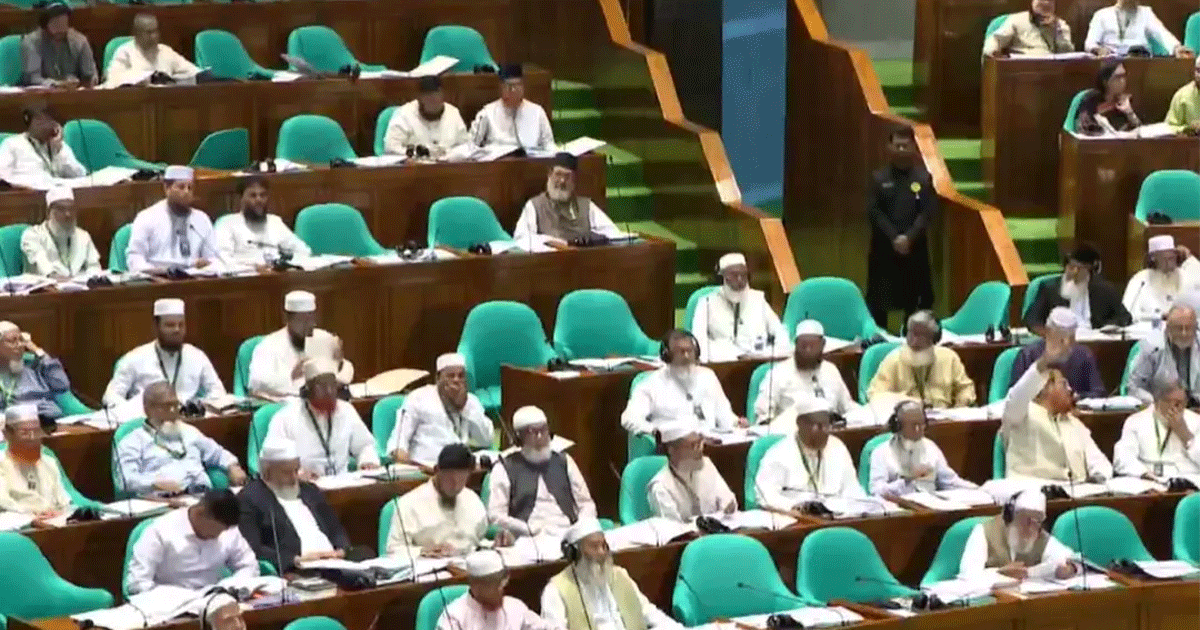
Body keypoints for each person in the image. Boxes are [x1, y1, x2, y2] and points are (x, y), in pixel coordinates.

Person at [1002, 332, 1114, 482]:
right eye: (1064, 384)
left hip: (1076, 491)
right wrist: (1043, 363)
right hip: (1033, 491)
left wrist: (1098, 477)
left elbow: (1100, 463)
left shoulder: (1075, 424)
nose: (1071, 390)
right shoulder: (1020, 415)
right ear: (1046, 386)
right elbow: (1017, 395)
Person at [541, 519, 684, 630]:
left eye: (604, 546)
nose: (602, 552)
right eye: (594, 547)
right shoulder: (556, 590)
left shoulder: (620, 575)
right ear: (574, 553)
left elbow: (650, 613)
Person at [237, 436, 352, 573]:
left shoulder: (310, 490)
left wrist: (340, 550)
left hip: (334, 561)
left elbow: (335, 529)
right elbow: (253, 547)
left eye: (296, 470)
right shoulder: (249, 498)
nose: (294, 478)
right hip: (297, 569)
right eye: (286, 473)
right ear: (267, 472)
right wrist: (295, 560)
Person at [115, 382, 246, 496]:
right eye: (166, 406)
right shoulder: (132, 441)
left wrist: (233, 467)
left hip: (202, 496)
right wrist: (155, 484)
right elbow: (125, 480)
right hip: (164, 500)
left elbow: (217, 453)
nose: (173, 411)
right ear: (148, 409)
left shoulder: (189, 431)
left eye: (176, 405)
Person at [488, 406, 596, 537]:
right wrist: (525, 529)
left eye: (543, 430)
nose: (539, 437)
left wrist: (582, 527)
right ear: (519, 437)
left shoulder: (564, 461)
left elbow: (585, 503)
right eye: (532, 432)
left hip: (568, 532)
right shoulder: (504, 467)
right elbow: (495, 515)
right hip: (528, 537)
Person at [126, 489, 259, 595]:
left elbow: (249, 565)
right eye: (217, 530)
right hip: (173, 606)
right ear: (200, 513)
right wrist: (176, 597)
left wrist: (229, 587)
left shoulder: (229, 530)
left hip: (215, 600)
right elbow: (137, 583)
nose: (219, 536)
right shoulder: (160, 530)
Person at [263, 358, 379, 479]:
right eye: (322, 387)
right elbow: (272, 459)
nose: (329, 392)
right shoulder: (285, 418)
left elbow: (365, 445)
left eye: (333, 385)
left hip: (343, 484)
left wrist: (367, 462)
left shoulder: (346, 410)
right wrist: (296, 474)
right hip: (305, 486)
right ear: (307, 391)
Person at [866, 127, 935, 328]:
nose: (902, 149)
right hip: (884, 251)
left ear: (913, 147)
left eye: (906, 145)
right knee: (879, 304)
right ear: (890, 147)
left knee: (916, 305)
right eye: (898, 145)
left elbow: (927, 212)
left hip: (915, 251)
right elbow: (874, 212)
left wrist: (909, 237)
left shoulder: (923, 178)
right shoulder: (879, 178)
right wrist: (894, 237)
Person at [103, 298, 226, 408]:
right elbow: (111, 397)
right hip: (147, 420)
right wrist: (135, 413)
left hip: (189, 419)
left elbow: (218, 393)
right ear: (156, 327)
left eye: (181, 325)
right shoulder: (134, 358)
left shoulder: (197, 356)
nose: (177, 330)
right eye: (170, 325)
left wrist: (200, 407)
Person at [620, 329, 741, 435]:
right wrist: (657, 432)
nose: (686, 357)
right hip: (676, 446)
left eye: (690, 351)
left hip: (712, 442)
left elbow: (724, 413)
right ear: (666, 355)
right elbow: (629, 419)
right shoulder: (651, 384)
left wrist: (736, 422)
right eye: (681, 352)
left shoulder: (708, 376)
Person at [754, 397, 865, 510]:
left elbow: (853, 490)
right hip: (795, 516)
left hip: (835, 514)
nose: (824, 431)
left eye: (826, 424)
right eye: (818, 426)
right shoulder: (780, 453)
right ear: (800, 424)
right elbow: (765, 495)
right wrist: (795, 507)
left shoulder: (837, 447)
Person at [385, 353, 494, 468]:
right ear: (438, 378)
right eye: (451, 376)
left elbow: (486, 439)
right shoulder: (419, 398)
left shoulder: (471, 401)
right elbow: (398, 440)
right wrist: (405, 460)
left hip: (461, 467)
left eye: (461, 376)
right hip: (427, 466)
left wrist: (464, 407)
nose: (456, 380)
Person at [387, 443, 491, 557]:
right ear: (437, 470)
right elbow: (393, 550)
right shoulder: (409, 504)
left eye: (461, 480)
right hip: (429, 564)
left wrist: (494, 544)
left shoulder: (473, 501)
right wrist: (422, 551)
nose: (455, 486)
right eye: (450, 479)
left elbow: (480, 541)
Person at [248, 290, 353, 399]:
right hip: (287, 405)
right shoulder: (269, 345)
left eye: (311, 320)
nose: (308, 326)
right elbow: (256, 384)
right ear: (286, 319)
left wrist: (339, 363)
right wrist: (292, 376)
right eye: (302, 321)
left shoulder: (322, 338)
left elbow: (346, 372)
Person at [754, 320, 858, 425]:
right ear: (795, 344)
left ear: (823, 345)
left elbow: (848, 408)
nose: (808, 351)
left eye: (812, 346)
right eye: (803, 346)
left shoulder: (831, 370)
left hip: (830, 430)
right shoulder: (778, 372)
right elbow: (763, 416)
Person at [690, 253, 790, 362]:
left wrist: (771, 353)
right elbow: (698, 341)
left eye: (743, 275)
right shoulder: (706, 303)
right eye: (734, 275)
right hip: (722, 362)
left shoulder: (758, 299)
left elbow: (780, 333)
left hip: (758, 361)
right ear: (722, 277)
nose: (740, 280)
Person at [958, 490, 1078, 580]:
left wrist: (1071, 568)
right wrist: (999, 573)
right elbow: (967, 574)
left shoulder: (1040, 536)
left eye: (1037, 521)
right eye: (1026, 520)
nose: (1031, 527)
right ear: (1010, 517)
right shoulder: (984, 531)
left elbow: (1076, 560)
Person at [867, 312, 976, 409]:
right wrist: (909, 402)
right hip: (907, 421)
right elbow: (876, 395)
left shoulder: (949, 358)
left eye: (921, 336)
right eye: (911, 334)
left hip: (944, 420)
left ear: (935, 338)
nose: (914, 342)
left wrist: (960, 406)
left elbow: (966, 389)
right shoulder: (894, 360)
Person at [868, 400, 977, 497]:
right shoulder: (881, 452)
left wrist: (977, 489)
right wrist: (905, 480)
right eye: (912, 425)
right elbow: (876, 491)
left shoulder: (931, 447)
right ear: (898, 426)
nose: (918, 430)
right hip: (899, 506)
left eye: (921, 424)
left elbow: (950, 481)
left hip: (929, 504)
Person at [512, 152, 623, 245]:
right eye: (558, 174)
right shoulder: (534, 205)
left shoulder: (586, 205)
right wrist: (551, 242)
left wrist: (595, 238)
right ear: (549, 174)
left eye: (567, 176)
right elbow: (522, 238)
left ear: (574, 179)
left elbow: (613, 233)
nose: (562, 181)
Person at [126, 165, 219, 273]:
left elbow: (213, 258)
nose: (186, 192)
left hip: (194, 278)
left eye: (190, 188)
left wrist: (207, 265)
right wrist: (159, 271)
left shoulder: (201, 219)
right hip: (158, 278)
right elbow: (135, 258)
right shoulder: (147, 217)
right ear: (167, 188)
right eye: (181, 187)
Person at [645, 419, 736, 521]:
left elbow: (728, 502)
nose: (699, 450)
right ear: (672, 450)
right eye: (693, 446)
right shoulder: (660, 487)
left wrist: (729, 508)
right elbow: (673, 528)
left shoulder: (707, 465)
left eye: (700, 443)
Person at [436, 550, 551, 630]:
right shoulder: (454, 618)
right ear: (475, 585)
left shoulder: (514, 607)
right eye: (495, 583)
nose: (502, 588)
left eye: (503, 581)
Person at [1024, 244, 1130, 331]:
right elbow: (1032, 320)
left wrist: (1109, 327)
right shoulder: (1049, 288)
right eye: (1071, 267)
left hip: (1095, 343)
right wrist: (1048, 334)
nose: (1074, 273)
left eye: (1080, 269)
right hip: (1060, 341)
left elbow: (1124, 317)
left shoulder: (1105, 290)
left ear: (1090, 271)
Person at [213, 176, 310, 268]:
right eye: (253, 195)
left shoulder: (275, 222)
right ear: (241, 198)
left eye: (263, 195)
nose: (259, 200)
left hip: (275, 275)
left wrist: (284, 263)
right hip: (244, 276)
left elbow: (303, 251)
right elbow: (222, 258)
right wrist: (253, 267)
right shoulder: (227, 223)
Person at [1011, 308, 1106, 400]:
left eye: (1070, 338)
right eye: (1061, 338)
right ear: (1048, 332)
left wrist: (1074, 397)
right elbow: (1016, 396)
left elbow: (1099, 392)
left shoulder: (1083, 354)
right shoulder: (1028, 355)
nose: (1066, 343)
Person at [1115, 378, 1200, 478]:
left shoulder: (1196, 421)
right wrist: (1143, 473)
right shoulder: (1135, 421)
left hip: (1188, 479)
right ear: (1157, 401)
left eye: (1179, 403)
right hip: (1147, 479)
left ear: (1186, 402)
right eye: (1168, 401)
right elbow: (1123, 458)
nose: (1173, 407)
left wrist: (1186, 435)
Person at [0, 404, 73, 519]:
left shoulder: (49, 462)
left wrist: (59, 512)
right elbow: (4, 504)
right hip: (20, 523)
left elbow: (64, 502)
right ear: (7, 434)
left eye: (36, 432)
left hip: (55, 521)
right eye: (24, 433)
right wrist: (32, 515)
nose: (32, 438)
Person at [20, 186, 101, 279]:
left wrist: (92, 278)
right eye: (61, 209)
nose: (68, 214)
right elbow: (42, 265)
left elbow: (94, 266)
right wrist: (55, 277)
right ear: (48, 213)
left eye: (71, 209)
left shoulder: (83, 236)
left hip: (80, 286)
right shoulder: (33, 235)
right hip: (46, 286)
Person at [470, 64, 555, 151]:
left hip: (530, 158)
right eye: (509, 87)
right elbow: (471, 147)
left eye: (518, 86)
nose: (514, 91)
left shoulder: (537, 112)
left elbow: (549, 146)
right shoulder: (487, 113)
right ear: (501, 88)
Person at [0, 103, 86, 187]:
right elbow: (2, 177)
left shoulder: (58, 145)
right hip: (27, 192)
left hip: (58, 190)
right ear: (29, 122)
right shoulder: (12, 144)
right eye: (39, 121)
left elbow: (80, 174)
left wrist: (59, 152)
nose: (44, 125)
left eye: (48, 121)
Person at [1127, 304, 1199, 405]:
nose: (1184, 333)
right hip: (1159, 407)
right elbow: (1134, 387)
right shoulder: (1151, 347)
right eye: (1179, 328)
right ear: (1168, 328)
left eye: (1189, 328)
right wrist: (1154, 402)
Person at [383, 75, 469, 158]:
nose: (433, 100)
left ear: (443, 95)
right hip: (414, 165)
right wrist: (417, 154)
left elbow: (465, 146)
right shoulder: (404, 114)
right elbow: (391, 148)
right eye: (428, 96)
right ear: (419, 97)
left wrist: (450, 155)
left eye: (436, 94)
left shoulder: (453, 113)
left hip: (447, 164)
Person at [104, 13, 199, 87]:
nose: (154, 36)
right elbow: (113, 80)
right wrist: (148, 78)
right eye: (149, 32)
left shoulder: (165, 51)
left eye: (155, 31)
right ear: (137, 34)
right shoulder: (125, 52)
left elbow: (193, 72)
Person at [0, 321, 70, 419]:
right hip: (16, 422)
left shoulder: (35, 366)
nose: (19, 345)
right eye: (12, 341)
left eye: (21, 340)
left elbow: (62, 386)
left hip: (50, 419)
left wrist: (38, 351)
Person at [20, 1, 98, 87]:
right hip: (44, 92)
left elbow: (90, 74)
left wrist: (90, 81)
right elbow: (33, 78)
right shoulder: (32, 42)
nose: (60, 27)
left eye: (63, 22)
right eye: (55, 22)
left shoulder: (79, 41)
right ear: (44, 25)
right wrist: (55, 84)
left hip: (74, 91)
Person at [1123, 236, 1200, 321]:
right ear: (1154, 258)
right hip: (1150, 326)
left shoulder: (1186, 275)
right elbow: (1128, 312)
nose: (1170, 262)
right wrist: (1159, 315)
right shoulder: (1140, 279)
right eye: (1165, 258)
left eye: (1172, 257)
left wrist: (1189, 256)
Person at [1084, 0, 1192, 58]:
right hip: (1111, 62)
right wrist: (1098, 50)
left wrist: (1176, 47)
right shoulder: (1102, 15)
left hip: (1139, 59)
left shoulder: (1145, 13)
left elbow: (1161, 33)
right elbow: (1089, 43)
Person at [982, 0, 1073, 57]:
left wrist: (1057, 30)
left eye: (1050, 1)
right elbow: (995, 40)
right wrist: (994, 53)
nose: (1046, 2)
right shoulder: (1017, 20)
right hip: (1022, 70)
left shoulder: (1061, 25)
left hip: (1049, 72)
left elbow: (1067, 55)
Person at [1074, 61, 1141, 136]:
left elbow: (1139, 130)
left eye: (1124, 76)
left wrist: (1129, 112)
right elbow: (1085, 129)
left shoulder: (1127, 100)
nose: (1123, 81)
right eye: (1118, 77)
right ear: (1105, 81)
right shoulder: (1092, 101)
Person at [1164, 56, 1200, 134]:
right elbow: (1169, 128)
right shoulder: (1182, 95)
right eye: (1198, 71)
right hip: (1191, 140)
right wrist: (1189, 129)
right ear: (1194, 71)